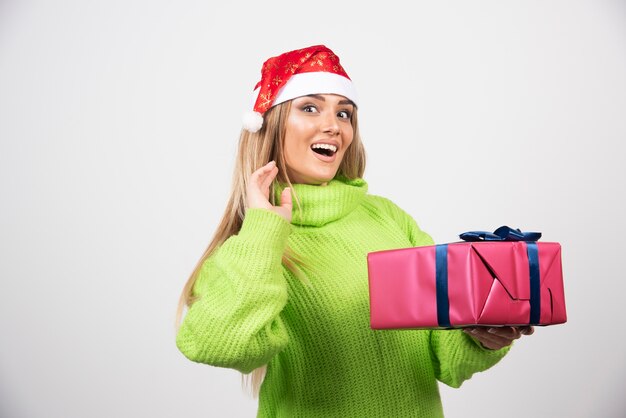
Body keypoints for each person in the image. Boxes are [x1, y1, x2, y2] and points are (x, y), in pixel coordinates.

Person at [175, 45, 533, 417]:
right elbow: (218, 346)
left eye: (344, 113)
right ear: (271, 125)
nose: (333, 125)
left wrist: (482, 338)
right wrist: (264, 230)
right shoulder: (251, 245)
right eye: (310, 107)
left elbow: (447, 359)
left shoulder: (388, 218)